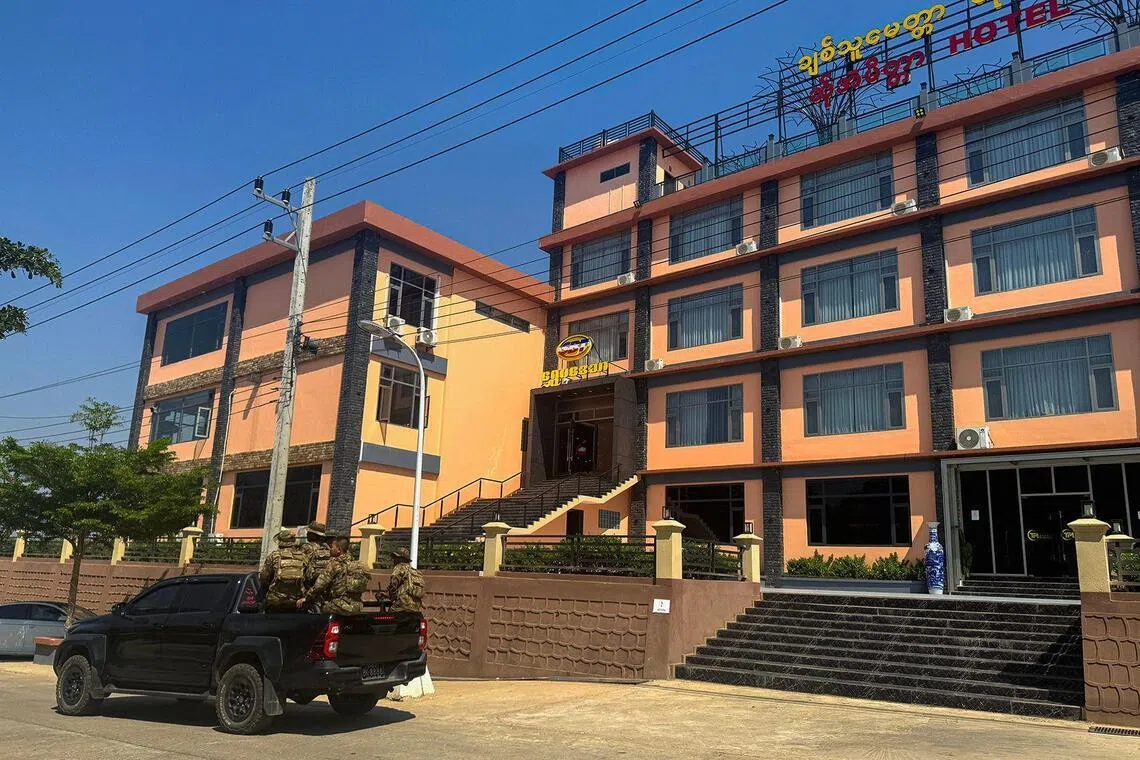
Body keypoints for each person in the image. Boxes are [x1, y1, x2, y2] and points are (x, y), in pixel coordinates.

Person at [298, 536, 370, 615]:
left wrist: (306, 598)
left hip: (339, 606)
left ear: (339, 550)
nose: (330, 549)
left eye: (332, 547)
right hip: (357, 607)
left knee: (316, 610)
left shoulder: (334, 565)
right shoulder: (355, 564)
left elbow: (319, 586)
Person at [258, 528, 307, 612]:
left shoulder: (274, 556)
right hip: (297, 601)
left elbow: (264, 578)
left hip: (275, 601)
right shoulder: (303, 556)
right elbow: (309, 577)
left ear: (280, 542)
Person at [385, 547, 425, 614]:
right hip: (415, 606)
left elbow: (394, 584)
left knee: (388, 617)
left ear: (400, 559)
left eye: (395, 557)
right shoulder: (414, 571)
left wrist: (387, 594)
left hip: (403, 604)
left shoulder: (400, 567)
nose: (393, 560)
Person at [302, 520, 330, 604]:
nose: (307, 534)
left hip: (309, 584)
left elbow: (301, 566)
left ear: (313, 535)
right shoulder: (328, 548)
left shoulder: (307, 547)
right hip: (325, 584)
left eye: (309, 533)